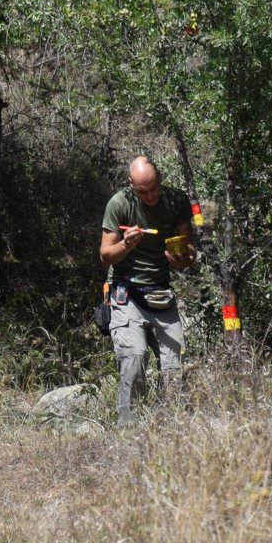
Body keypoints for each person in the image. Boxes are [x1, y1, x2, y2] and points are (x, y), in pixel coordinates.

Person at [99, 156, 197, 426]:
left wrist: (184, 259)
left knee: (174, 362)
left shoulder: (176, 201)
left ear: (161, 179)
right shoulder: (120, 204)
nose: (151, 195)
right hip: (125, 292)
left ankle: (170, 425)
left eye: (154, 188)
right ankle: (129, 428)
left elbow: (188, 249)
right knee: (134, 355)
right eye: (143, 191)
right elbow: (105, 256)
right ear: (131, 184)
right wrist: (126, 246)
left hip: (160, 291)